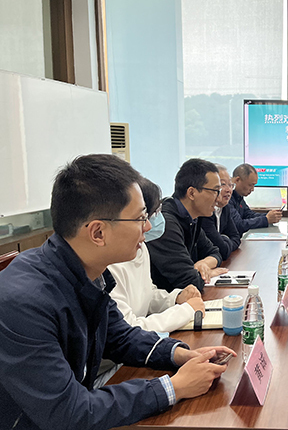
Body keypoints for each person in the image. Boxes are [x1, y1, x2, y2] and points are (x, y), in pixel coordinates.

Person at [0, 154, 235, 430]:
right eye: (140, 218)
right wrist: (173, 387)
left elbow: (121, 336)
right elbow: (68, 412)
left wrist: (180, 354)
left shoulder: (89, 271)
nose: (148, 227)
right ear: (98, 233)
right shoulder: (24, 302)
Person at [108, 177, 206, 333]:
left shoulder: (140, 248)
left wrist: (175, 298)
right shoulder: (108, 265)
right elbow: (127, 329)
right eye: (142, 217)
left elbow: (147, 295)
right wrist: (185, 311)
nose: (148, 225)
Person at [147, 158, 227, 293]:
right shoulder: (166, 224)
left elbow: (215, 252)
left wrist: (204, 264)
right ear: (191, 193)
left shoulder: (191, 218)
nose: (218, 198)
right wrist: (207, 273)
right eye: (215, 191)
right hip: (166, 302)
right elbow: (189, 281)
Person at [200, 164, 241, 261]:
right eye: (223, 185)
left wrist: (224, 240)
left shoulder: (225, 208)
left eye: (230, 185)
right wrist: (225, 238)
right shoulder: (205, 212)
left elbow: (236, 237)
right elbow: (223, 250)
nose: (228, 190)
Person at [228, 163, 282, 234]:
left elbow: (249, 215)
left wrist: (269, 215)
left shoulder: (239, 198)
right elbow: (239, 225)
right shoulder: (227, 199)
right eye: (250, 185)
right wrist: (266, 220)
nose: (252, 189)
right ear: (237, 180)